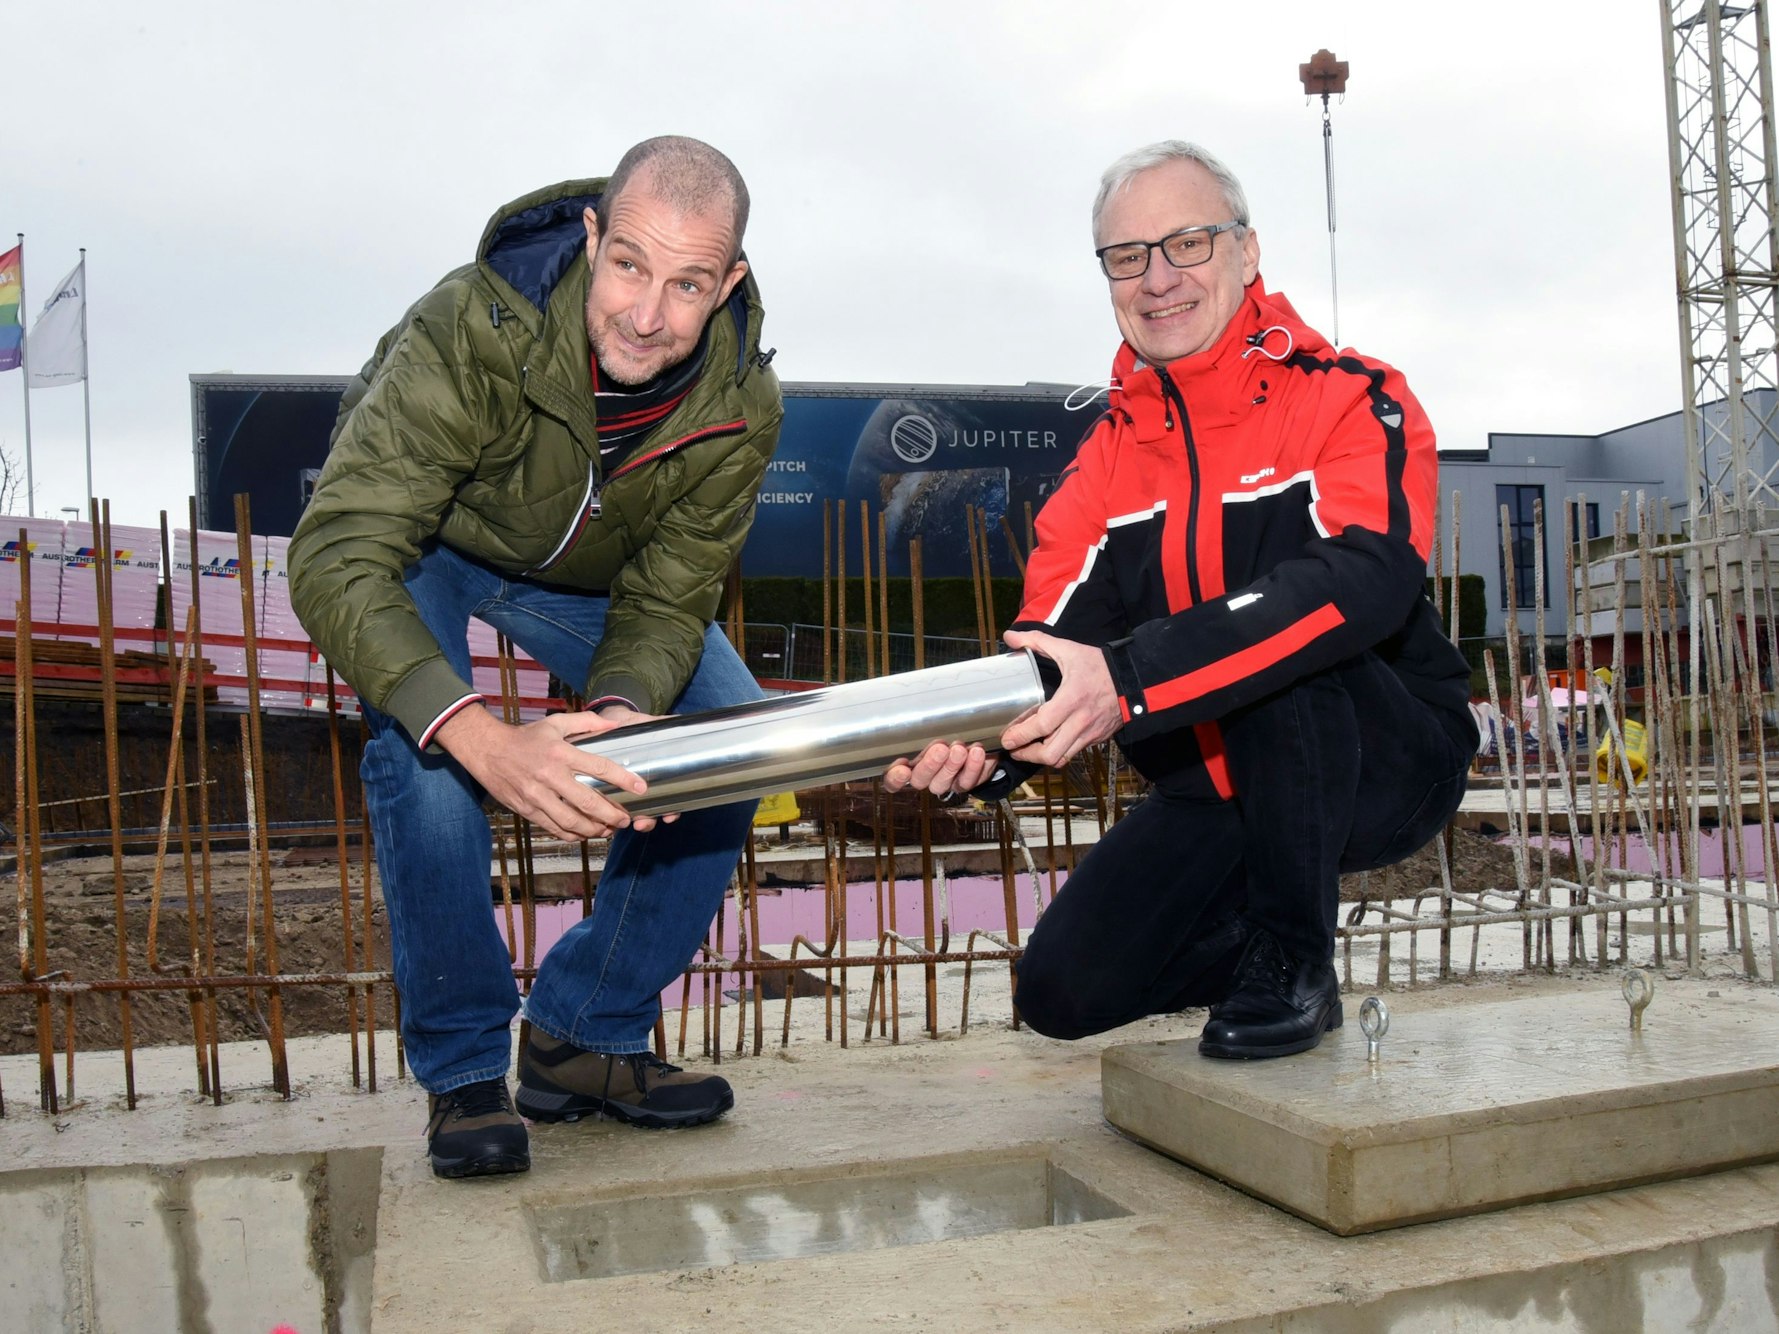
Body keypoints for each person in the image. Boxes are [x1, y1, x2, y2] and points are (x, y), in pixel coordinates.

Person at [887, 140, 1475, 1060]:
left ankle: (1293, 956)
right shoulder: (1102, 465)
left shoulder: (1349, 397)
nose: (1156, 277)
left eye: (1187, 243)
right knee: (1062, 991)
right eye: (1126, 256)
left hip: (1380, 762)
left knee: (1283, 643)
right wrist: (981, 750)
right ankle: (1263, 945)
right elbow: (1052, 656)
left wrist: (1132, 677)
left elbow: (1369, 578)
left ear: (1245, 252)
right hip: (1215, 786)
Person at [289, 136, 782, 1178]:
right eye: (631, 265)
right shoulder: (472, 326)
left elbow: (671, 589)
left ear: (727, 281)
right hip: (428, 541)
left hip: (577, 574)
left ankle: (582, 1036)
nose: (648, 314)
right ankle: (466, 1068)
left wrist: (623, 706)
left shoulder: (740, 405)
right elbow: (339, 551)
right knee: (429, 765)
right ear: (594, 237)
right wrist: (479, 736)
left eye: (688, 283)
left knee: (728, 742)